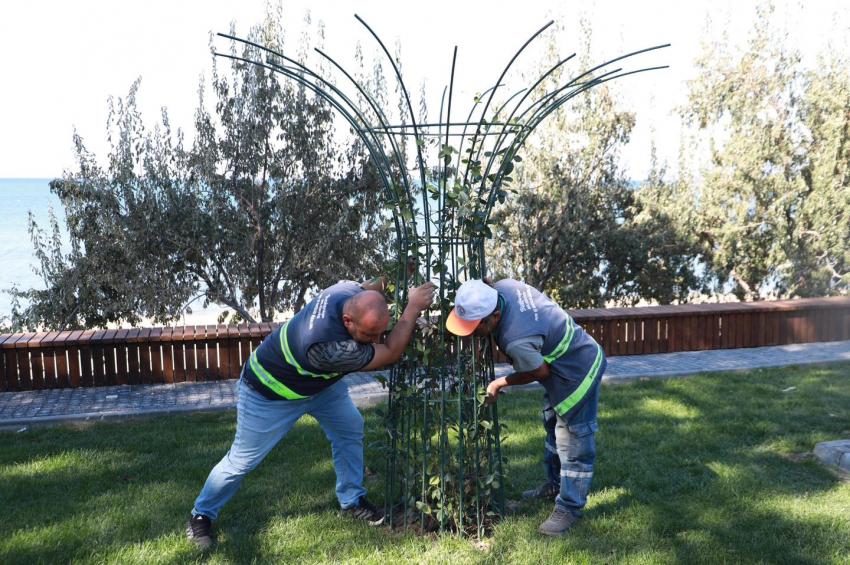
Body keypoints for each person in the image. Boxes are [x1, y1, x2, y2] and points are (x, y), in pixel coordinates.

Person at [187, 278, 436, 548]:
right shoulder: (326, 347)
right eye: (368, 335)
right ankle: (201, 515)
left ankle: (352, 501)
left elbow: (369, 287)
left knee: (349, 428)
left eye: (378, 333)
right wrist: (412, 308)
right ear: (347, 320)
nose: (374, 340)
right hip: (270, 392)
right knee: (241, 461)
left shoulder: (344, 291)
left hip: (318, 386)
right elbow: (390, 352)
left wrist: (388, 278)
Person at [445, 279, 605, 537]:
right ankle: (555, 484)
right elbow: (486, 284)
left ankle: (569, 508)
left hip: (578, 373)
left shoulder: (516, 339)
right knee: (552, 425)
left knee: (573, 440)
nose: (472, 334)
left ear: (494, 317)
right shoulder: (503, 287)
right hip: (563, 364)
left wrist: (499, 383)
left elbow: (539, 371)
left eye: (475, 329)